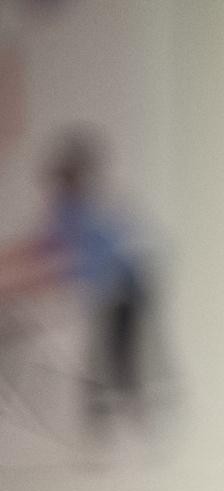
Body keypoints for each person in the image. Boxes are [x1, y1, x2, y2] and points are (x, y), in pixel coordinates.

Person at [0, 127, 160, 444]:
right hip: (108, 291)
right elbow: (43, 245)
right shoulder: (66, 210)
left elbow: (83, 255)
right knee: (104, 357)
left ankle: (133, 428)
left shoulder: (90, 210)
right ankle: (108, 430)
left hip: (125, 290)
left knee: (118, 358)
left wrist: (43, 277)